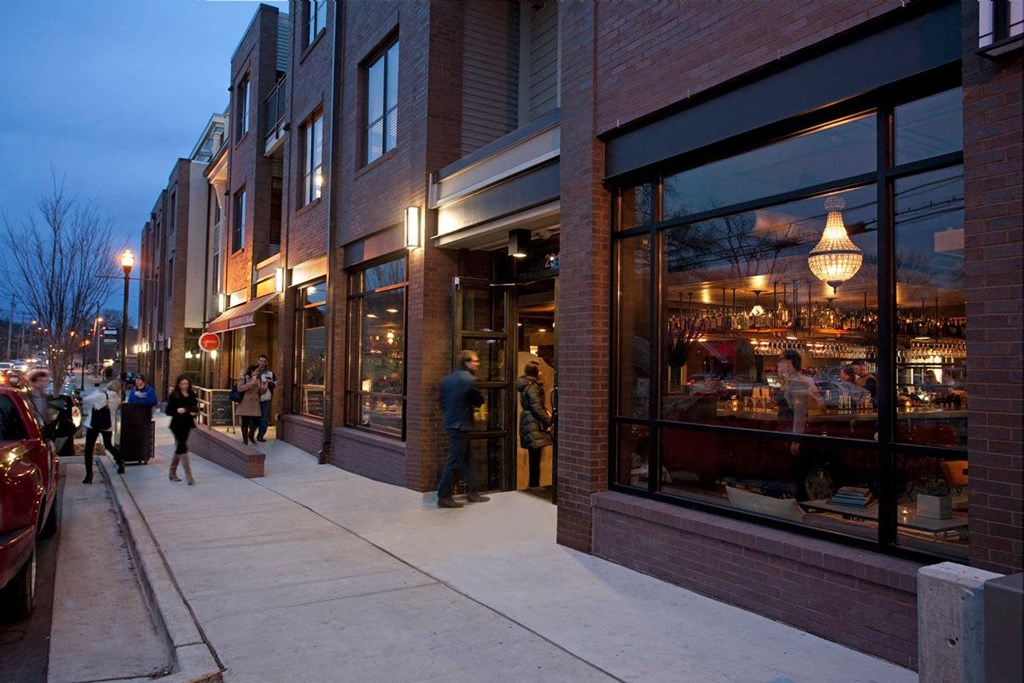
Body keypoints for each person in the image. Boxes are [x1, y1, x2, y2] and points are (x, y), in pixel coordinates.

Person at [436, 350, 488, 509]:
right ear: (467, 362)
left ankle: (472, 492)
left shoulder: (448, 380)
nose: (477, 363)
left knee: (468, 459)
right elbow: (478, 400)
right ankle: (444, 496)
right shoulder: (469, 380)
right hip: (461, 425)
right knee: (454, 461)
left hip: (452, 423)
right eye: (475, 361)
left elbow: (442, 402)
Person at [516, 360, 552, 489]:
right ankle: (534, 486)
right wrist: (549, 421)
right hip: (533, 423)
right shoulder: (532, 387)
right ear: (535, 372)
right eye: (539, 370)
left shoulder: (526, 385)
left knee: (534, 456)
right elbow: (536, 407)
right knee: (535, 457)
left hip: (528, 422)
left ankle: (533, 484)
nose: (541, 373)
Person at [777, 350, 821, 451]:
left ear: (789, 363)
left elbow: (799, 414)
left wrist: (796, 440)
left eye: (781, 360)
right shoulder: (792, 381)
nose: (778, 364)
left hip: (795, 433)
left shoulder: (797, 382)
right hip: (790, 430)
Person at [82, 381, 125, 482]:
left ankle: (89, 474)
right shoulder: (117, 399)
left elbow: (86, 400)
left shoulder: (101, 395)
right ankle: (120, 461)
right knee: (108, 445)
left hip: (94, 424)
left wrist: (97, 391)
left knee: (89, 449)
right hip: (107, 425)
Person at [165, 375, 199, 484]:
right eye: (182, 384)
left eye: (186, 383)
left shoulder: (192, 394)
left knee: (180, 446)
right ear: (178, 384)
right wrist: (177, 410)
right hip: (177, 424)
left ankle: (172, 472)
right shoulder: (174, 395)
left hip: (187, 423)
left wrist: (191, 412)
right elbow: (168, 411)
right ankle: (189, 476)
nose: (184, 386)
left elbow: (195, 407)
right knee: (182, 446)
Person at [235, 365, 264, 445]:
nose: (258, 372)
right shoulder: (243, 378)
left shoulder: (258, 379)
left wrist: (264, 387)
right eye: (256, 371)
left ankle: (250, 435)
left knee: (257, 421)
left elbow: (259, 392)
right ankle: (245, 439)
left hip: (255, 403)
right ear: (252, 371)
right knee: (245, 421)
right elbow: (239, 389)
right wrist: (252, 383)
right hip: (245, 403)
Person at [255, 354, 277, 442]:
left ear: (266, 362)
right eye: (261, 361)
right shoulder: (254, 370)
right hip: (254, 398)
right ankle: (251, 433)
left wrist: (268, 383)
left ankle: (260, 435)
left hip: (265, 398)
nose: (262, 363)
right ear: (258, 361)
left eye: (264, 361)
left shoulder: (270, 372)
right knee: (253, 417)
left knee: (264, 418)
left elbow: (275, 384)